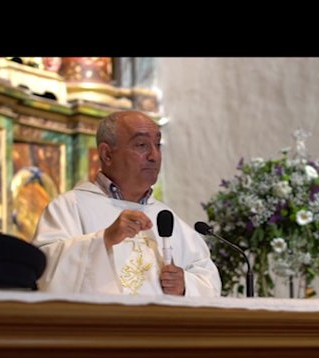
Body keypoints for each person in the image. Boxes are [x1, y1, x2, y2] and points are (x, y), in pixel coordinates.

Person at [32, 111, 221, 296]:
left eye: (157, 145)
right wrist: (104, 239)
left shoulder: (165, 216)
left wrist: (185, 285)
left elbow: (208, 279)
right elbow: (43, 271)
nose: (154, 156)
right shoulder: (69, 207)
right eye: (141, 145)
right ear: (106, 154)